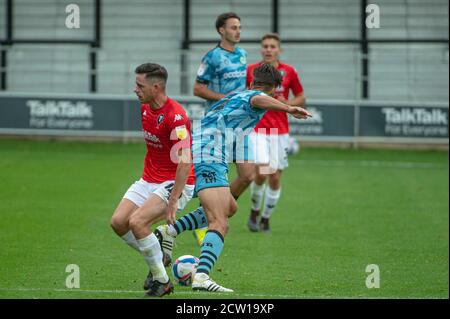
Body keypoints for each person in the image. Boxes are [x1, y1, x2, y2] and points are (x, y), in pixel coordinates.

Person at [161, 63, 311, 292]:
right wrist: (288, 108)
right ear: (272, 89)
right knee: (220, 221)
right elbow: (258, 99)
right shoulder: (256, 96)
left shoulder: (237, 94)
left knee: (230, 207)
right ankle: (201, 276)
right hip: (209, 153)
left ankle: (168, 231)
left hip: (211, 152)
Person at [110, 63, 195, 297]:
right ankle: (160, 256)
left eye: (140, 85)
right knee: (118, 222)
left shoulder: (176, 117)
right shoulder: (146, 107)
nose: (135, 89)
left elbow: (185, 162)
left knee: (137, 222)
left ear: (156, 87)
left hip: (177, 181)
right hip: (149, 179)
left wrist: (173, 200)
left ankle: (163, 282)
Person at [191, 12, 253, 245]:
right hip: (218, 126)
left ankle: (208, 213)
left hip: (241, 125)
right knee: (216, 178)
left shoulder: (243, 55)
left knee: (248, 176)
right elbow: (197, 89)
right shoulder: (212, 57)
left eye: (239, 27)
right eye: (233, 27)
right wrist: (225, 98)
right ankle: (209, 217)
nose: (238, 31)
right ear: (221, 30)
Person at [246, 33, 306, 233]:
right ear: (261, 49)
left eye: (272, 46)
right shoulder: (251, 71)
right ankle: (254, 211)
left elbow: (301, 96)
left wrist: (286, 105)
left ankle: (265, 218)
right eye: (265, 46)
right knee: (263, 170)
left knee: (275, 178)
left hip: (280, 132)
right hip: (258, 129)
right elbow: (246, 96)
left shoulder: (289, 71)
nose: (268, 49)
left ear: (279, 50)